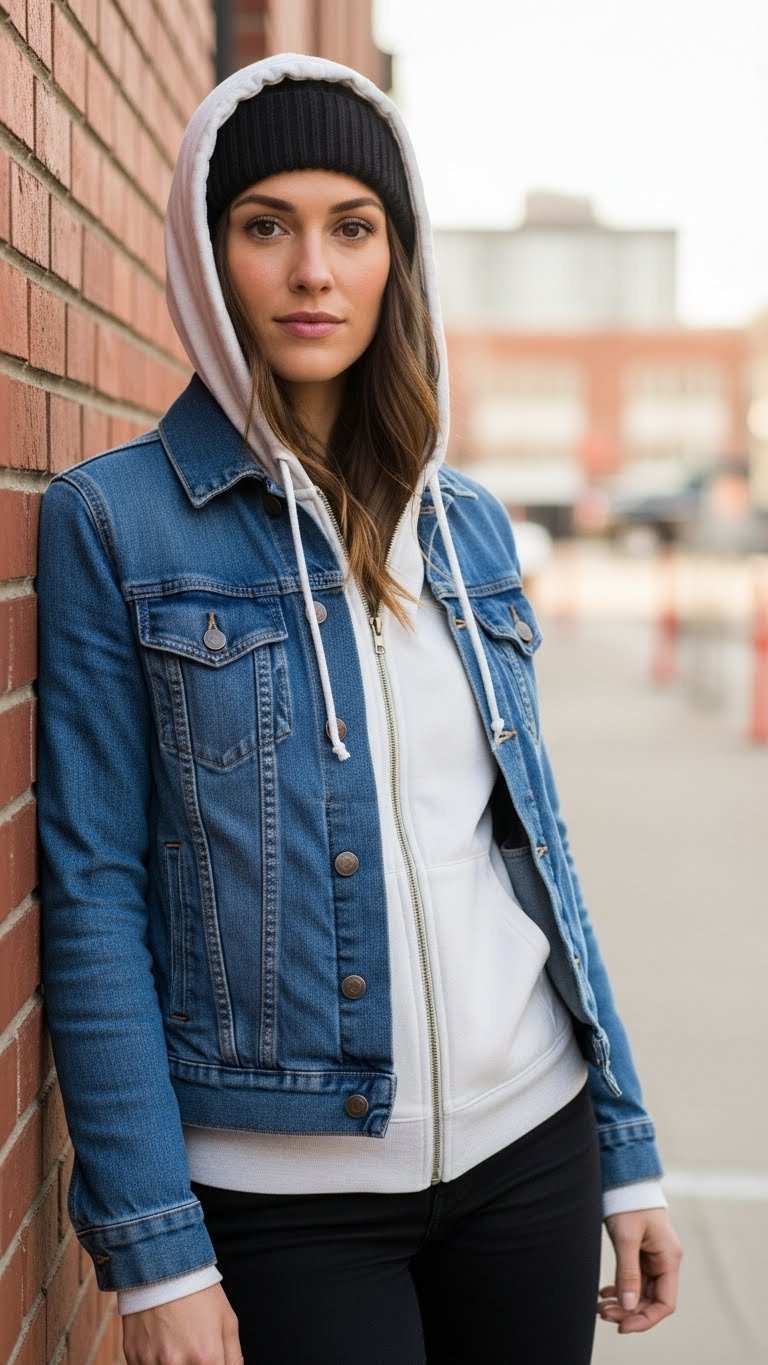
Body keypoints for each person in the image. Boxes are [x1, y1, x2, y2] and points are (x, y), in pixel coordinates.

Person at [37, 52, 682, 1365]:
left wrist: (626, 1150)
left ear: (400, 256)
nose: (312, 270)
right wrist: (158, 1245)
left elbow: (535, 851)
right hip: (285, 1200)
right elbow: (94, 889)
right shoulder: (115, 520)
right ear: (210, 252)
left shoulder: (470, 525)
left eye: (353, 226)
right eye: (266, 225)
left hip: (531, 1152)